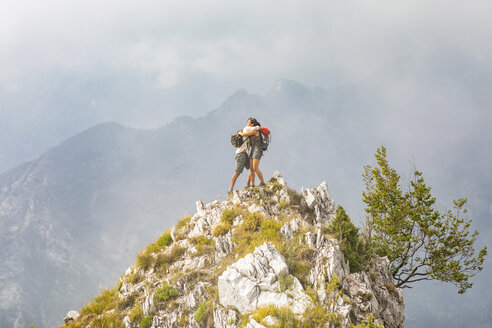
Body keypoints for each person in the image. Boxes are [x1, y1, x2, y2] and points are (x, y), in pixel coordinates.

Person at [228, 119, 260, 194]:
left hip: (245, 154)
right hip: (241, 154)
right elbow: (258, 128)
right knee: (237, 172)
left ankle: (249, 185)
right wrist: (258, 127)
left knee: (252, 169)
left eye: (249, 122)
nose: (247, 124)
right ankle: (230, 189)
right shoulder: (247, 128)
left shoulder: (247, 129)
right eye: (248, 122)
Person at [245, 117, 265, 187]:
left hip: (257, 149)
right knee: (251, 168)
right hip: (252, 150)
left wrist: (240, 133)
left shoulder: (255, 131)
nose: (247, 124)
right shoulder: (252, 130)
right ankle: (251, 184)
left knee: (255, 168)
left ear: (252, 124)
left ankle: (262, 182)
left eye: (249, 122)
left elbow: (245, 134)